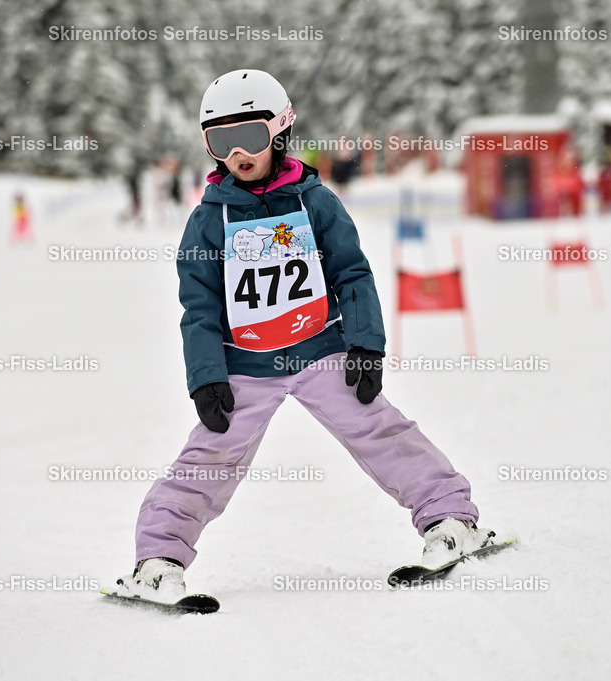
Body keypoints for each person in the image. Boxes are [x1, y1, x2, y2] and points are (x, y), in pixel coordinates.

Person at [113, 69, 497, 603]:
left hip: (321, 350)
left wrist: (365, 344)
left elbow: (351, 274)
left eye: (249, 135)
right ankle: (158, 560)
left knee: (379, 430)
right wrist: (206, 376)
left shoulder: (315, 202)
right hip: (246, 361)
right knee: (210, 457)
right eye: (221, 141)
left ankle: (450, 519)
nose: (238, 153)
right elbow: (199, 306)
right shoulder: (208, 220)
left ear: (279, 131)